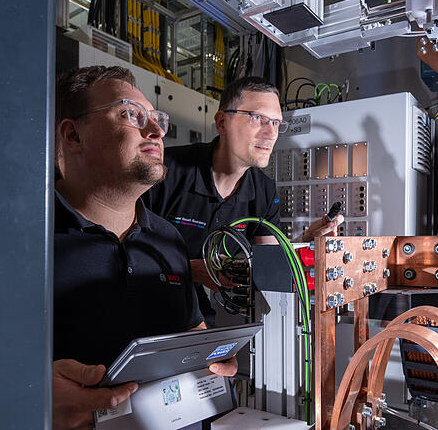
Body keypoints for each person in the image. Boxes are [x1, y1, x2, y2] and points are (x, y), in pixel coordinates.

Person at [52, 66, 236, 430]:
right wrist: (30, 396)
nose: (156, 131)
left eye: (157, 119)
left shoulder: (167, 238)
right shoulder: (20, 238)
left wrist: (210, 358)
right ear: (73, 135)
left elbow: (191, 329)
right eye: (130, 114)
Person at [144, 76, 344, 321]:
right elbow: (121, 252)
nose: (271, 133)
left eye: (276, 123)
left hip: (190, 306)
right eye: (257, 118)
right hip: (138, 300)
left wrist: (307, 240)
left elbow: (269, 263)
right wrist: (191, 269)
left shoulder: (264, 191)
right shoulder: (165, 171)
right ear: (222, 122)